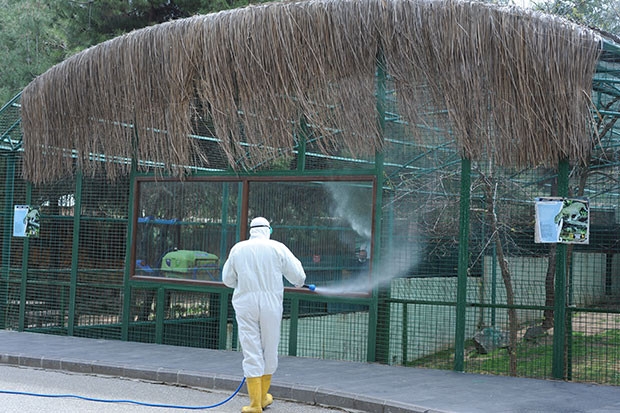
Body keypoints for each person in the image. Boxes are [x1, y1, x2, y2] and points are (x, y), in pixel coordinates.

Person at [222, 217, 306, 413]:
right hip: (271, 303)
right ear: (268, 229)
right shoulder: (277, 247)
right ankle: (262, 398)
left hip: (245, 303)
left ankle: (255, 403)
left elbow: (227, 279)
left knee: (251, 348)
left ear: (251, 230)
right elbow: (298, 277)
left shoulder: (238, 249)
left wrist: (244, 284)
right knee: (270, 347)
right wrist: (298, 283)